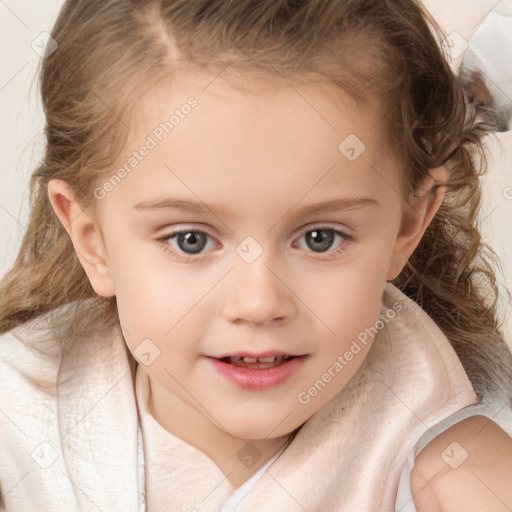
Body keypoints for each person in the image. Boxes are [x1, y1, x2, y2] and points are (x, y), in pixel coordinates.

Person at [1, 0, 511, 510]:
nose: (259, 302)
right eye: (191, 240)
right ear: (93, 240)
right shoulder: (16, 427)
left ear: (406, 226)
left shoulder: (459, 477)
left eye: (320, 238)